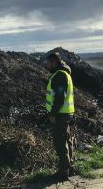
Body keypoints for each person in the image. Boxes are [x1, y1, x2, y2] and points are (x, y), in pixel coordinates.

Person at [44, 52, 75, 180]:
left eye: (49, 63)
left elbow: (59, 98)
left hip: (60, 115)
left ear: (54, 62)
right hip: (66, 113)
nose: (47, 65)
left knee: (60, 143)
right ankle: (70, 168)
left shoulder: (59, 76)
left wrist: (52, 114)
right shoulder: (65, 74)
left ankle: (63, 171)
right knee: (67, 140)